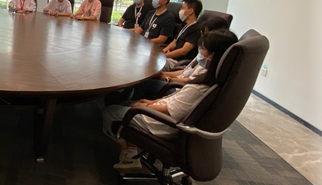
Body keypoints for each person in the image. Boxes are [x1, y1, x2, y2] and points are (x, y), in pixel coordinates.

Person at [102, 30, 238, 171]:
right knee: (126, 104)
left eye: (202, 48)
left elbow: (171, 110)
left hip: (161, 123)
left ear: (213, 56)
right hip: (164, 112)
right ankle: (131, 145)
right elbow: (176, 101)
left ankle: (128, 156)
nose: (200, 52)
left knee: (109, 112)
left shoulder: (200, 88)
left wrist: (144, 106)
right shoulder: (214, 80)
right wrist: (151, 103)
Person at [162, 0, 203, 69]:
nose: (180, 10)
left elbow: (184, 51)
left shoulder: (196, 29)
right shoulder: (185, 25)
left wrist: (165, 55)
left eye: (183, 8)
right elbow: (175, 41)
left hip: (178, 62)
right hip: (170, 57)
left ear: (190, 11)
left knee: (153, 62)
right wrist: (165, 50)